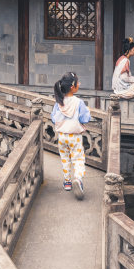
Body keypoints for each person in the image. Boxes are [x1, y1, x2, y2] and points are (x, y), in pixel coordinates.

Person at [51, 72, 91, 200]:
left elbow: (53, 118)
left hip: (62, 136)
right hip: (74, 136)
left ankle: (67, 182)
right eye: (78, 82)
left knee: (65, 158)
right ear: (73, 86)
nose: (79, 84)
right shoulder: (78, 102)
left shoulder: (59, 101)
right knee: (78, 159)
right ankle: (78, 180)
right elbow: (85, 119)